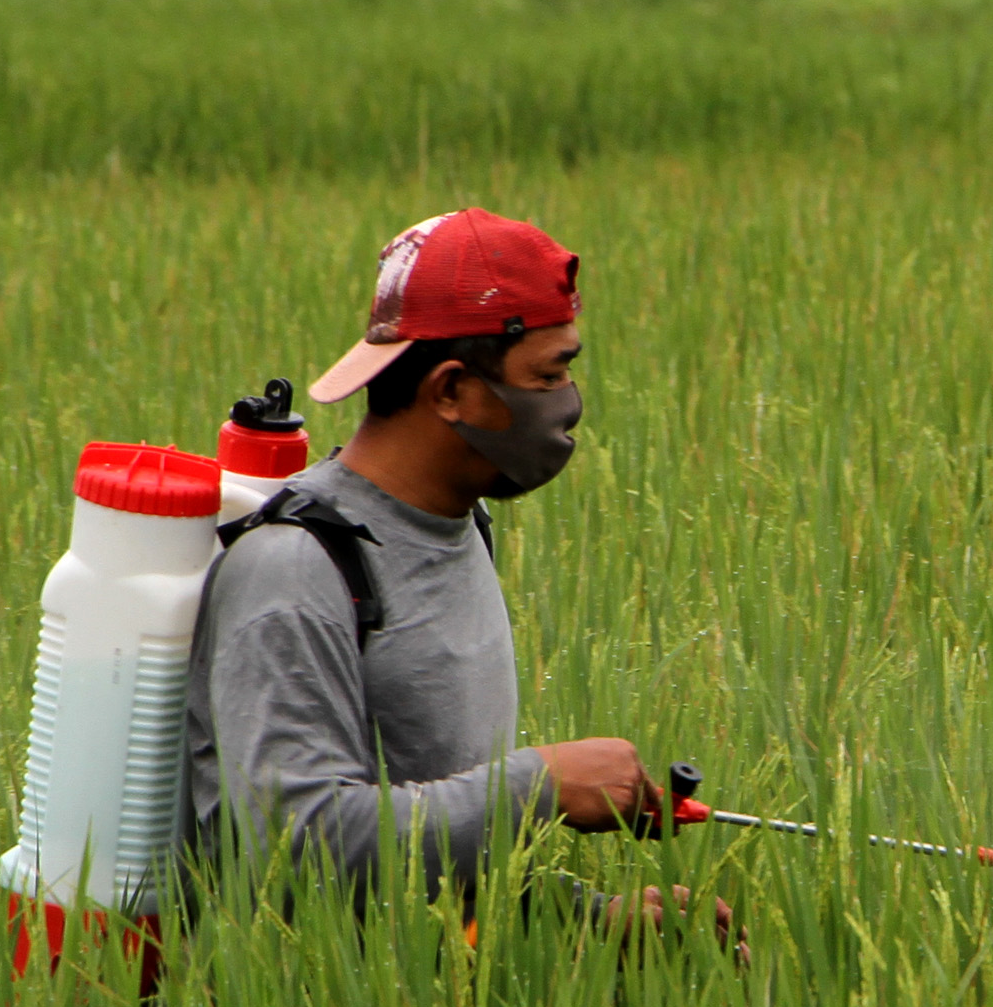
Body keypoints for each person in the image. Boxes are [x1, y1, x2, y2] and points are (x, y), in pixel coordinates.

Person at [184, 207, 714, 936]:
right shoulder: (296, 567)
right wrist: (539, 785)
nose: (569, 405)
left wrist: (585, 923)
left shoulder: (462, 527)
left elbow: (439, 858)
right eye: (549, 374)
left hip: (435, 995)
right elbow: (294, 849)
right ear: (449, 389)